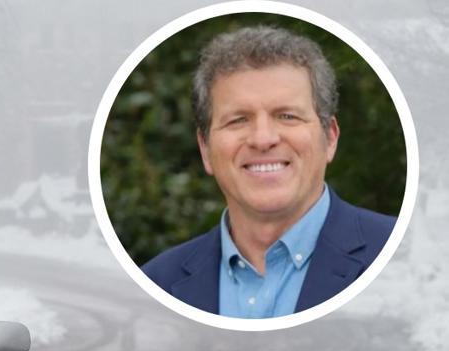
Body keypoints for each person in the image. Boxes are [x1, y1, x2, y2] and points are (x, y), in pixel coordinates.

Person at [141, 26, 396, 319]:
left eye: (287, 116)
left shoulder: (406, 259)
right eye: (238, 120)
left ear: (330, 138)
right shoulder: (154, 285)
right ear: (205, 148)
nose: (263, 139)